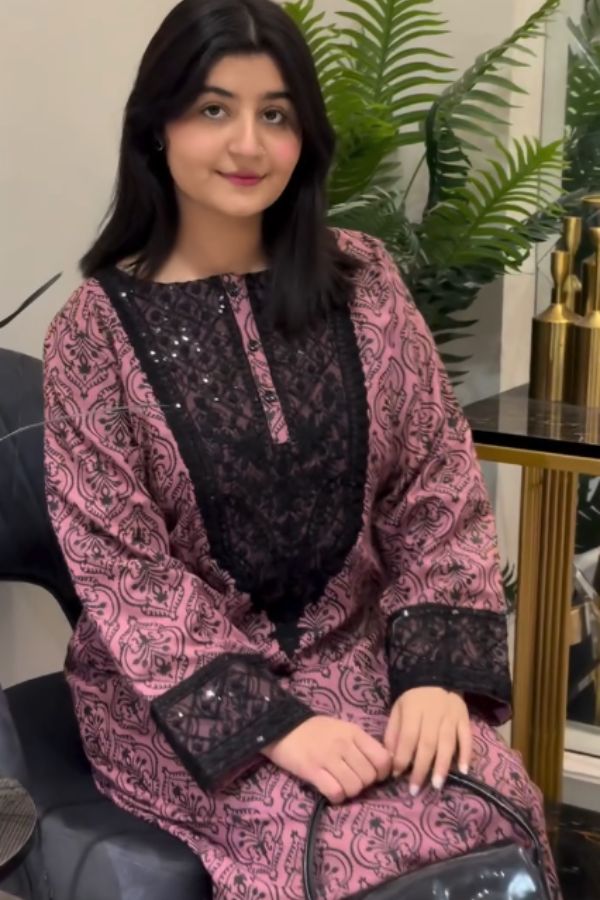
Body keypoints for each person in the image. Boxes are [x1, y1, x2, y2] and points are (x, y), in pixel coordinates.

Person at [43, 0, 561, 897]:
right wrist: (273, 727)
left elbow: (434, 483)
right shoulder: (94, 335)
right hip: (178, 696)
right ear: (155, 126)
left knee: (491, 794)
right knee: (330, 843)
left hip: (366, 654)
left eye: (275, 114)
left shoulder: (363, 283)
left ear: (303, 137)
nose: (247, 143)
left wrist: (434, 676)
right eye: (213, 108)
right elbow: (126, 574)